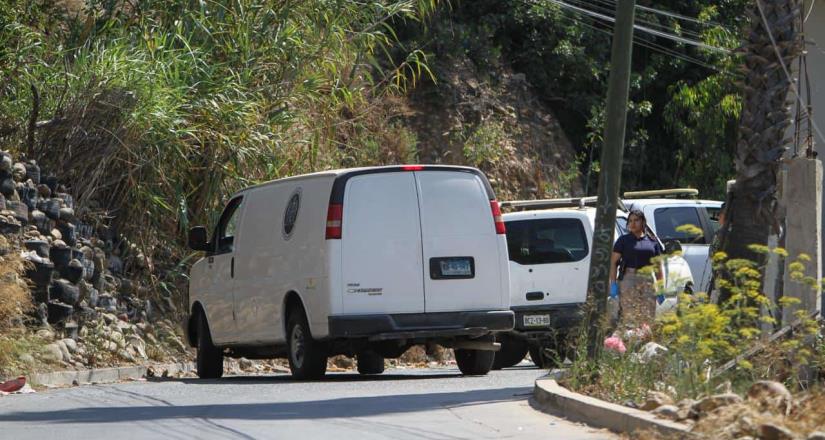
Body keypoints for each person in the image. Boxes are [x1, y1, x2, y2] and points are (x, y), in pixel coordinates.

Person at [610, 209, 663, 327]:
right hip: (629, 279)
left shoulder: (652, 241)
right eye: (630, 221)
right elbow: (613, 262)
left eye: (636, 220)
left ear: (643, 222)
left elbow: (658, 267)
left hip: (647, 280)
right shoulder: (623, 240)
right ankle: (629, 343)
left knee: (648, 317)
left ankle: (645, 343)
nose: (633, 224)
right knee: (630, 317)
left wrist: (660, 289)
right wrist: (613, 284)